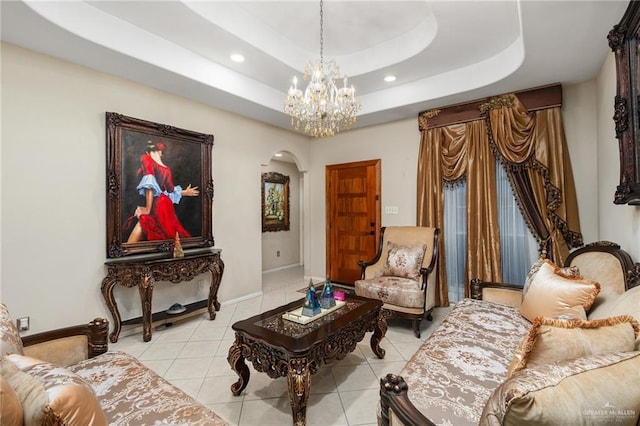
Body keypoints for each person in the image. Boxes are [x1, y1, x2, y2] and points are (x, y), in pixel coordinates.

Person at [125, 141, 199, 243]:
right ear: (160, 152)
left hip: (156, 205)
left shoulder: (146, 158)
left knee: (138, 238)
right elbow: (169, 190)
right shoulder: (167, 170)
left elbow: (150, 186)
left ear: (147, 152)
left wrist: (147, 208)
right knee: (165, 238)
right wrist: (185, 192)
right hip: (166, 206)